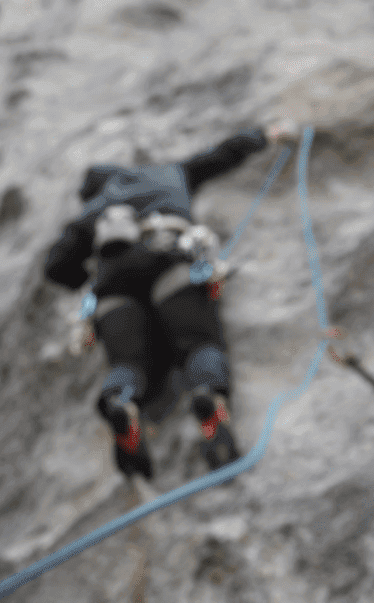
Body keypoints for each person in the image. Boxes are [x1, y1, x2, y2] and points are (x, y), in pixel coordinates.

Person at [42, 121, 297, 479]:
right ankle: (207, 395)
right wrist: (266, 135)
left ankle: (122, 401)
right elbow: (221, 155)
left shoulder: (91, 211)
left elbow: (55, 268)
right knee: (198, 343)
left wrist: (87, 278)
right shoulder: (168, 174)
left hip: (113, 287)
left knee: (128, 361)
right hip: (170, 263)